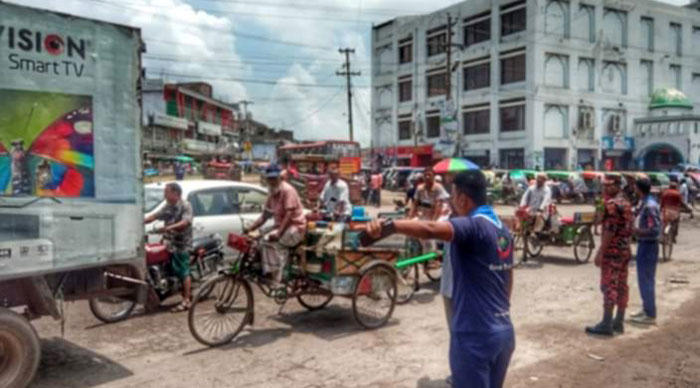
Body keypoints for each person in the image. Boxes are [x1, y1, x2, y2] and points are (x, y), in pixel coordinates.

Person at [366, 170, 515, 388]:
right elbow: (509, 277)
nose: (451, 202)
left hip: (474, 336)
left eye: (453, 197)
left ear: (463, 199)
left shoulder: (473, 226)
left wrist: (390, 226)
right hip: (503, 332)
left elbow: (429, 228)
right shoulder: (502, 229)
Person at [586, 175, 633, 336]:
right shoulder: (626, 203)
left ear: (618, 186)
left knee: (609, 285)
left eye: (609, 186)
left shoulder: (612, 204)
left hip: (613, 251)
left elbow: (609, 230)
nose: (605, 189)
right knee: (621, 285)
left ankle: (607, 323)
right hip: (625, 250)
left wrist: (601, 251)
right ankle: (618, 321)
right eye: (604, 186)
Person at [244, 164, 306, 283]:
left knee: (272, 244)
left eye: (274, 179)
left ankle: (277, 277)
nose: (272, 182)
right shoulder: (271, 194)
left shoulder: (288, 191)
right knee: (257, 240)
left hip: (296, 228)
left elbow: (289, 215)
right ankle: (264, 270)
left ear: (279, 178)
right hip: (281, 227)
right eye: (270, 179)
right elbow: (264, 216)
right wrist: (250, 229)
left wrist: (278, 233)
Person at [144, 182, 193, 312]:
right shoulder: (168, 206)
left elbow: (185, 222)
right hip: (168, 242)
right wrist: (140, 222)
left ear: (175, 194)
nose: (164, 195)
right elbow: (154, 216)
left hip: (181, 243)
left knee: (183, 271)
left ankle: (187, 300)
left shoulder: (185, 205)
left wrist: (168, 228)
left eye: (167, 192)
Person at [630, 178, 661, 325]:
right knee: (643, 280)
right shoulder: (645, 203)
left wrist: (637, 231)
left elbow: (655, 229)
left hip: (648, 245)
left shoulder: (649, 206)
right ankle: (646, 308)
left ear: (638, 189)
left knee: (646, 280)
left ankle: (649, 314)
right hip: (644, 245)